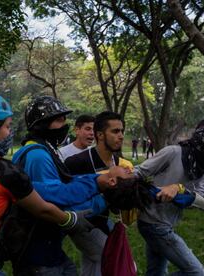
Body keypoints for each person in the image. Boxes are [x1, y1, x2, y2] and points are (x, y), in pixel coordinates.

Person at [0, 91, 93, 275]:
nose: (10, 133)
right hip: (26, 252)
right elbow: (45, 204)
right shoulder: (4, 169)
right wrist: (75, 216)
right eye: (7, 126)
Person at [10, 96, 131, 275]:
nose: (64, 125)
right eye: (59, 120)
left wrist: (101, 181)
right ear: (42, 124)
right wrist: (101, 189)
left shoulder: (45, 150)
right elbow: (58, 198)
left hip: (51, 247)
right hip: (38, 251)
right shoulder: (38, 156)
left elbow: (65, 184)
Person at [135, 118, 204, 275]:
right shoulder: (173, 152)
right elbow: (140, 172)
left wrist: (180, 190)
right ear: (202, 136)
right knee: (196, 272)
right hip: (153, 222)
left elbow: (197, 196)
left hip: (168, 222)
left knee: (156, 271)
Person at [64, 111, 134, 276]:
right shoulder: (76, 162)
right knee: (110, 258)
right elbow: (67, 197)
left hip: (104, 221)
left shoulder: (118, 163)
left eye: (122, 131)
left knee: (94, 265)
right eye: (115, 131)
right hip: (81, 223)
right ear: (100, 135)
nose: (121, 136)